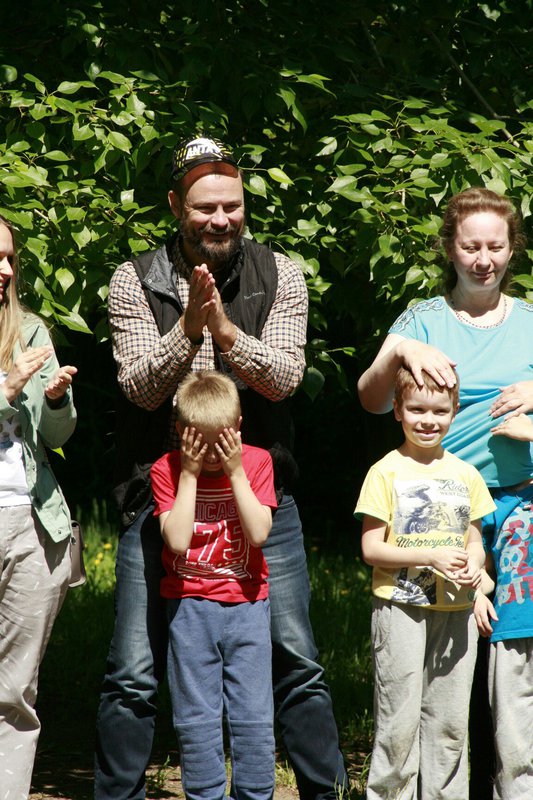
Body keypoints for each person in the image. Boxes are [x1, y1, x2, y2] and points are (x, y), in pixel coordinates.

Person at [95, 135, 348, 800]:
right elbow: (139, 389)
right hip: (162, 498)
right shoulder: (133, 279)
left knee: (297, 662)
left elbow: (285, 380)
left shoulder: (279, 273)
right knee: (132, 672)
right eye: (205, 207)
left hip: (259, 497)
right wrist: (187, 329)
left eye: (232, 206)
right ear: (175, 205)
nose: (221, 219)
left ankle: (325, 792)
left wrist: (226, 333)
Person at [357, 186, 533, 800]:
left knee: (512, 667)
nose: (484, 259)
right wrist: (401, 349)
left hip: (518, 508)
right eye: (470, 246)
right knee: (431, 668)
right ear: (450, 249)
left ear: (512, 248)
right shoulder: (422, 319)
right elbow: (372, 398)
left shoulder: (530, 320)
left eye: (496, 246)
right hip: (436, 511)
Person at [354, 366, 495, 799]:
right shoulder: (385, 471)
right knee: (398, 723)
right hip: (400, 608)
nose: (428, 420)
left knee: (450, 725)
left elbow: (475, 543)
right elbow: (371, 548)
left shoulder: (467, 474)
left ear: (454, 412)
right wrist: (429, 556)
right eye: (417, 410)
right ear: (397, 410)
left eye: (439, 411)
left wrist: (476, 567)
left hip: (457, 611)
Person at [150, 370, 276, 800]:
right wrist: (188, 475)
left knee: (254, 716)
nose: (209, 456)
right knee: (195, 718)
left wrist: (236, 472)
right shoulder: (167, 470)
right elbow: (177, 541)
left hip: (248, 607)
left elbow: (259, 533)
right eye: (198, 444)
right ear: (181, 432)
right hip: (189, 611)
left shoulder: (257, 463)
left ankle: (255, 794)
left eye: (219, 442)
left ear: (238, 428)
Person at [0, 215, 77, 798]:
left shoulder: (29, 331)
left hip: (32, 523)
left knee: (14, 691)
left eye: (9, 258)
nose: (5, 270)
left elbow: (58, 434)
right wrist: (5, 388)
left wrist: (53, 400)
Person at [474, 411, 533, 800]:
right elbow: (483, 567)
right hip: (509, 633)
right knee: (512, 747)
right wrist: (476, 593)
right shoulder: (496, 505)